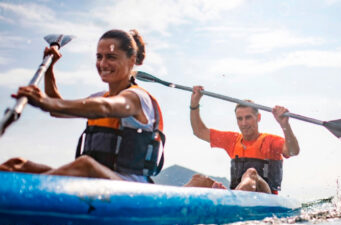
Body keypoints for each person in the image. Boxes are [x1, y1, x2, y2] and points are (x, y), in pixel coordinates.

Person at [0, 29, 165, 183]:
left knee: (85, 165)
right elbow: (56, 109)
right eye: (99, 57)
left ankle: (28, 195)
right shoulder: (100, 97)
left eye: (111, 57)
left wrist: (45, 101)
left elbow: (105, 107)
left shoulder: (137, 98)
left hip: (130, 186)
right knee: (17, 165)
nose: (103, 63)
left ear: (132, 60)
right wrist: (49, 69)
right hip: (97, 181)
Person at [184, 86, 299, 194]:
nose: (244, 123)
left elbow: (293, 151)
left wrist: (285, 125)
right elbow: (199, 131)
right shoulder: (232, 140)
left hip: (266, 197)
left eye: (248, 118)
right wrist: (194, 104)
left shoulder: (270, 141)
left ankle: (233, 200)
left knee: (251, 173)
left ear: (258, 118)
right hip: (238, 195)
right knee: (199, 179)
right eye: (240, 119)